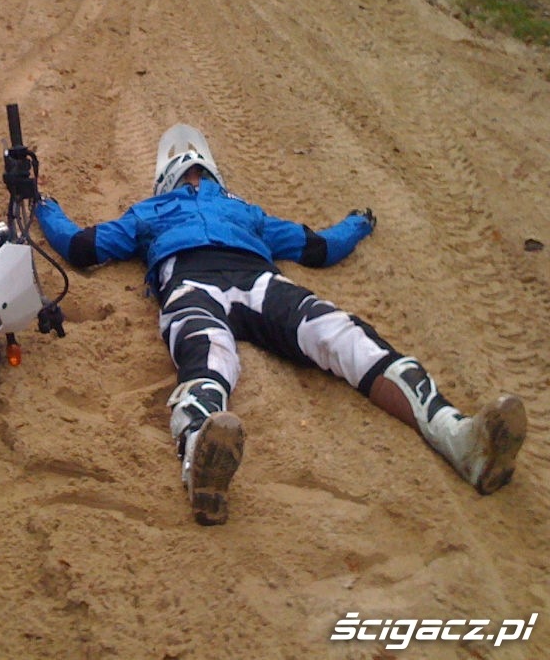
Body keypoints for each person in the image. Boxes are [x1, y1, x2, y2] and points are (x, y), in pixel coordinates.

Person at [34, 125, 528, 526]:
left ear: (163, 178)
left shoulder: (154, 211)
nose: (194, 178)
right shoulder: (241, 211)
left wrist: (45, 207)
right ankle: (455, 434)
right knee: (322, 339)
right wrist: (356, 223)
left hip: (200, 281)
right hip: (249, 281)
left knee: (239, 353)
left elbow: (81, 245)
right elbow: (319, 247)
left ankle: (462, 439)